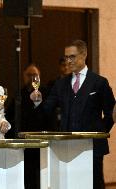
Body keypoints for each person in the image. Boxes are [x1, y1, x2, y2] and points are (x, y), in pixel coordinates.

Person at [31, 40, 115, 189]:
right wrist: (37, 102)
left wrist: (99, 134)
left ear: (84, 55)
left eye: (72, 57)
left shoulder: (99, 83)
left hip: (92, 148)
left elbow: (111, 114)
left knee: (94, 185)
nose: (68, 61)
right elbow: (46, 111)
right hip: (65, 148)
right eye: (66, 57)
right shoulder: (60, 84)